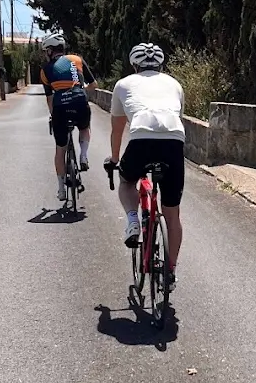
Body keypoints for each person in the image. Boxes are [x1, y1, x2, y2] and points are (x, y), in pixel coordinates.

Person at [106, 42, 185, 285]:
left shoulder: (123, 84)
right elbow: (178, 118)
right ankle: (170, 270)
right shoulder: (175, 84)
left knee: (127, 182)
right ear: (161, 64)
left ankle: (132, 220)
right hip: (173, 143)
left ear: (134, 64)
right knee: (173, 215)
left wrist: (115, 159)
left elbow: (117, 130)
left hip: (141, 140)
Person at [38, 33, 97, 202]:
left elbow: (49, 98)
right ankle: (83, 155)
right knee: (85, 128)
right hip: (79, 102)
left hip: (60, 108)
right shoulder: (77, 60)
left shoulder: (45, 70)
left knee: (60, 149)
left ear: (50, 51)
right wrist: (81, 92)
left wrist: (53, 115)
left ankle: (61, 189)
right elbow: (94, 85)